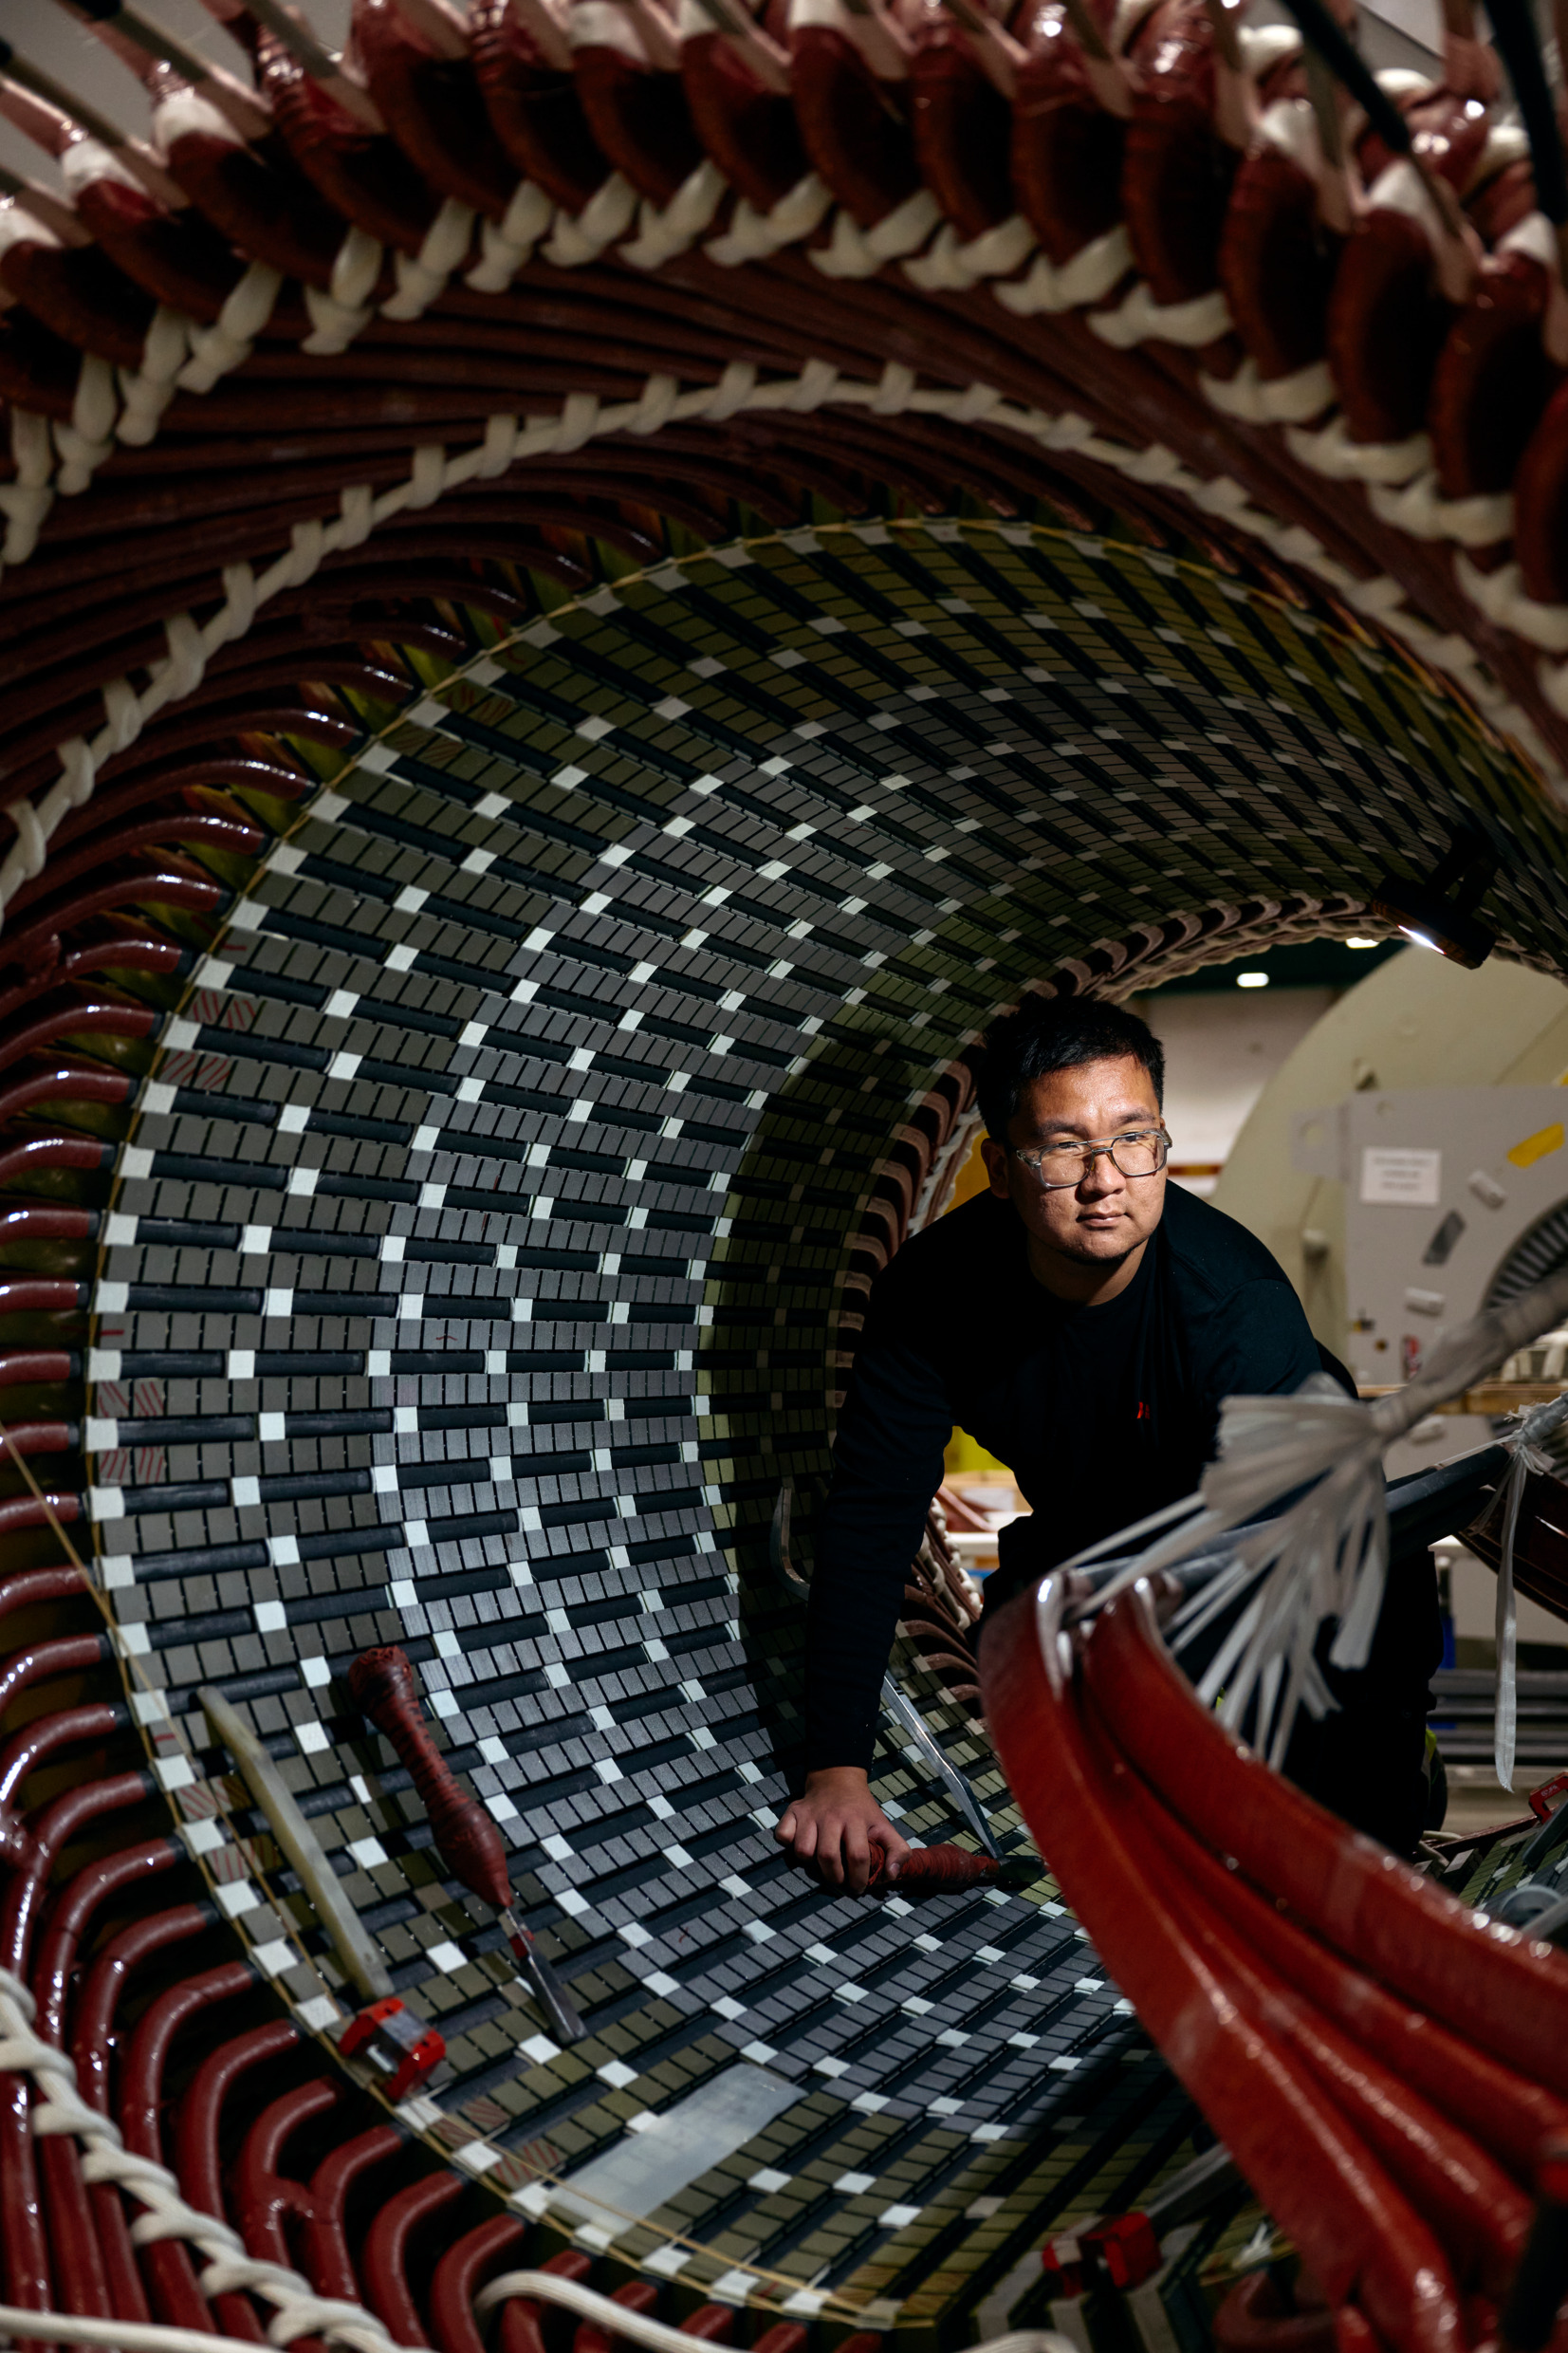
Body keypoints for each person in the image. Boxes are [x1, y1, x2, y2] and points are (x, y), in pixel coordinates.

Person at [775, 994, 1441, 1892]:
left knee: (1344, 1762)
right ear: (1001, 1168)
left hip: (1307, 1535)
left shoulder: (1229, 1306)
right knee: (1020, 1652)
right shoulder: (933, 1297)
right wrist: (836, 1776)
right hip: (1093, 1529)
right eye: (1062, 1148)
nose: (1105, 1181)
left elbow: (1298, 1575)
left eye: (1134, 1139)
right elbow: (868, 1524)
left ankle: (1393, 1814)